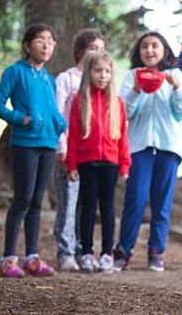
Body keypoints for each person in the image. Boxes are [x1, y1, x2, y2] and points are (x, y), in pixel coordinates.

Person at [0, 23, 67, 278]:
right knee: (22, 199)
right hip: (25, 144)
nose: (46, 45)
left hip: (48, 144)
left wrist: (61, 123)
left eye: (50, 41)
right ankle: (8, 258)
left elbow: (52, 110)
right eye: (40, 40)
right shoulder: (15, 72)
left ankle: (32, 257)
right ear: (27, 45)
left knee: (36, 201)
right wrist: (20, 118)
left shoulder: (48, 78)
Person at [113, 32, 182, 272]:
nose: (149, 50)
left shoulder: (175, 75)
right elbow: (123, 113)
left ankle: (156, 252)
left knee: (162, 203)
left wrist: (178, 89)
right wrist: (136, 91)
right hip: (139, 148)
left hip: (169, 149)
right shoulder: (131, 76)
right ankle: (123, 252)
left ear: (164, 50)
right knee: (135, 200)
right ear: (139, 52)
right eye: (144, 46)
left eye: (154, 46)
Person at [66, 52, 130, 273]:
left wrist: (125, 164)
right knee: (88, 207)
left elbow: (123, 135)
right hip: (87, 161)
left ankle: (106, 254)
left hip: (110, 162)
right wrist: (71, 164)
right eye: (97, 71)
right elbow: (73, 135)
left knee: (108, 208)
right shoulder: (80, 101)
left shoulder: (118, 102)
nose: (103, 75)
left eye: (107, 71)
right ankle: (86, 253)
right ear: (89, 73)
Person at [54, 29, 105, 272]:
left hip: (91, 156)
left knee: (87, 205)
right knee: (68, 203)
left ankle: (82, 249)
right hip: (69, 151)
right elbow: (57, 115)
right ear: (80, 50)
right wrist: (62, 149)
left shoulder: (98, 81)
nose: (97, 53)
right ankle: (65, 252)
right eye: (93, 48)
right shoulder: (67, 79)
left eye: (101, 49)